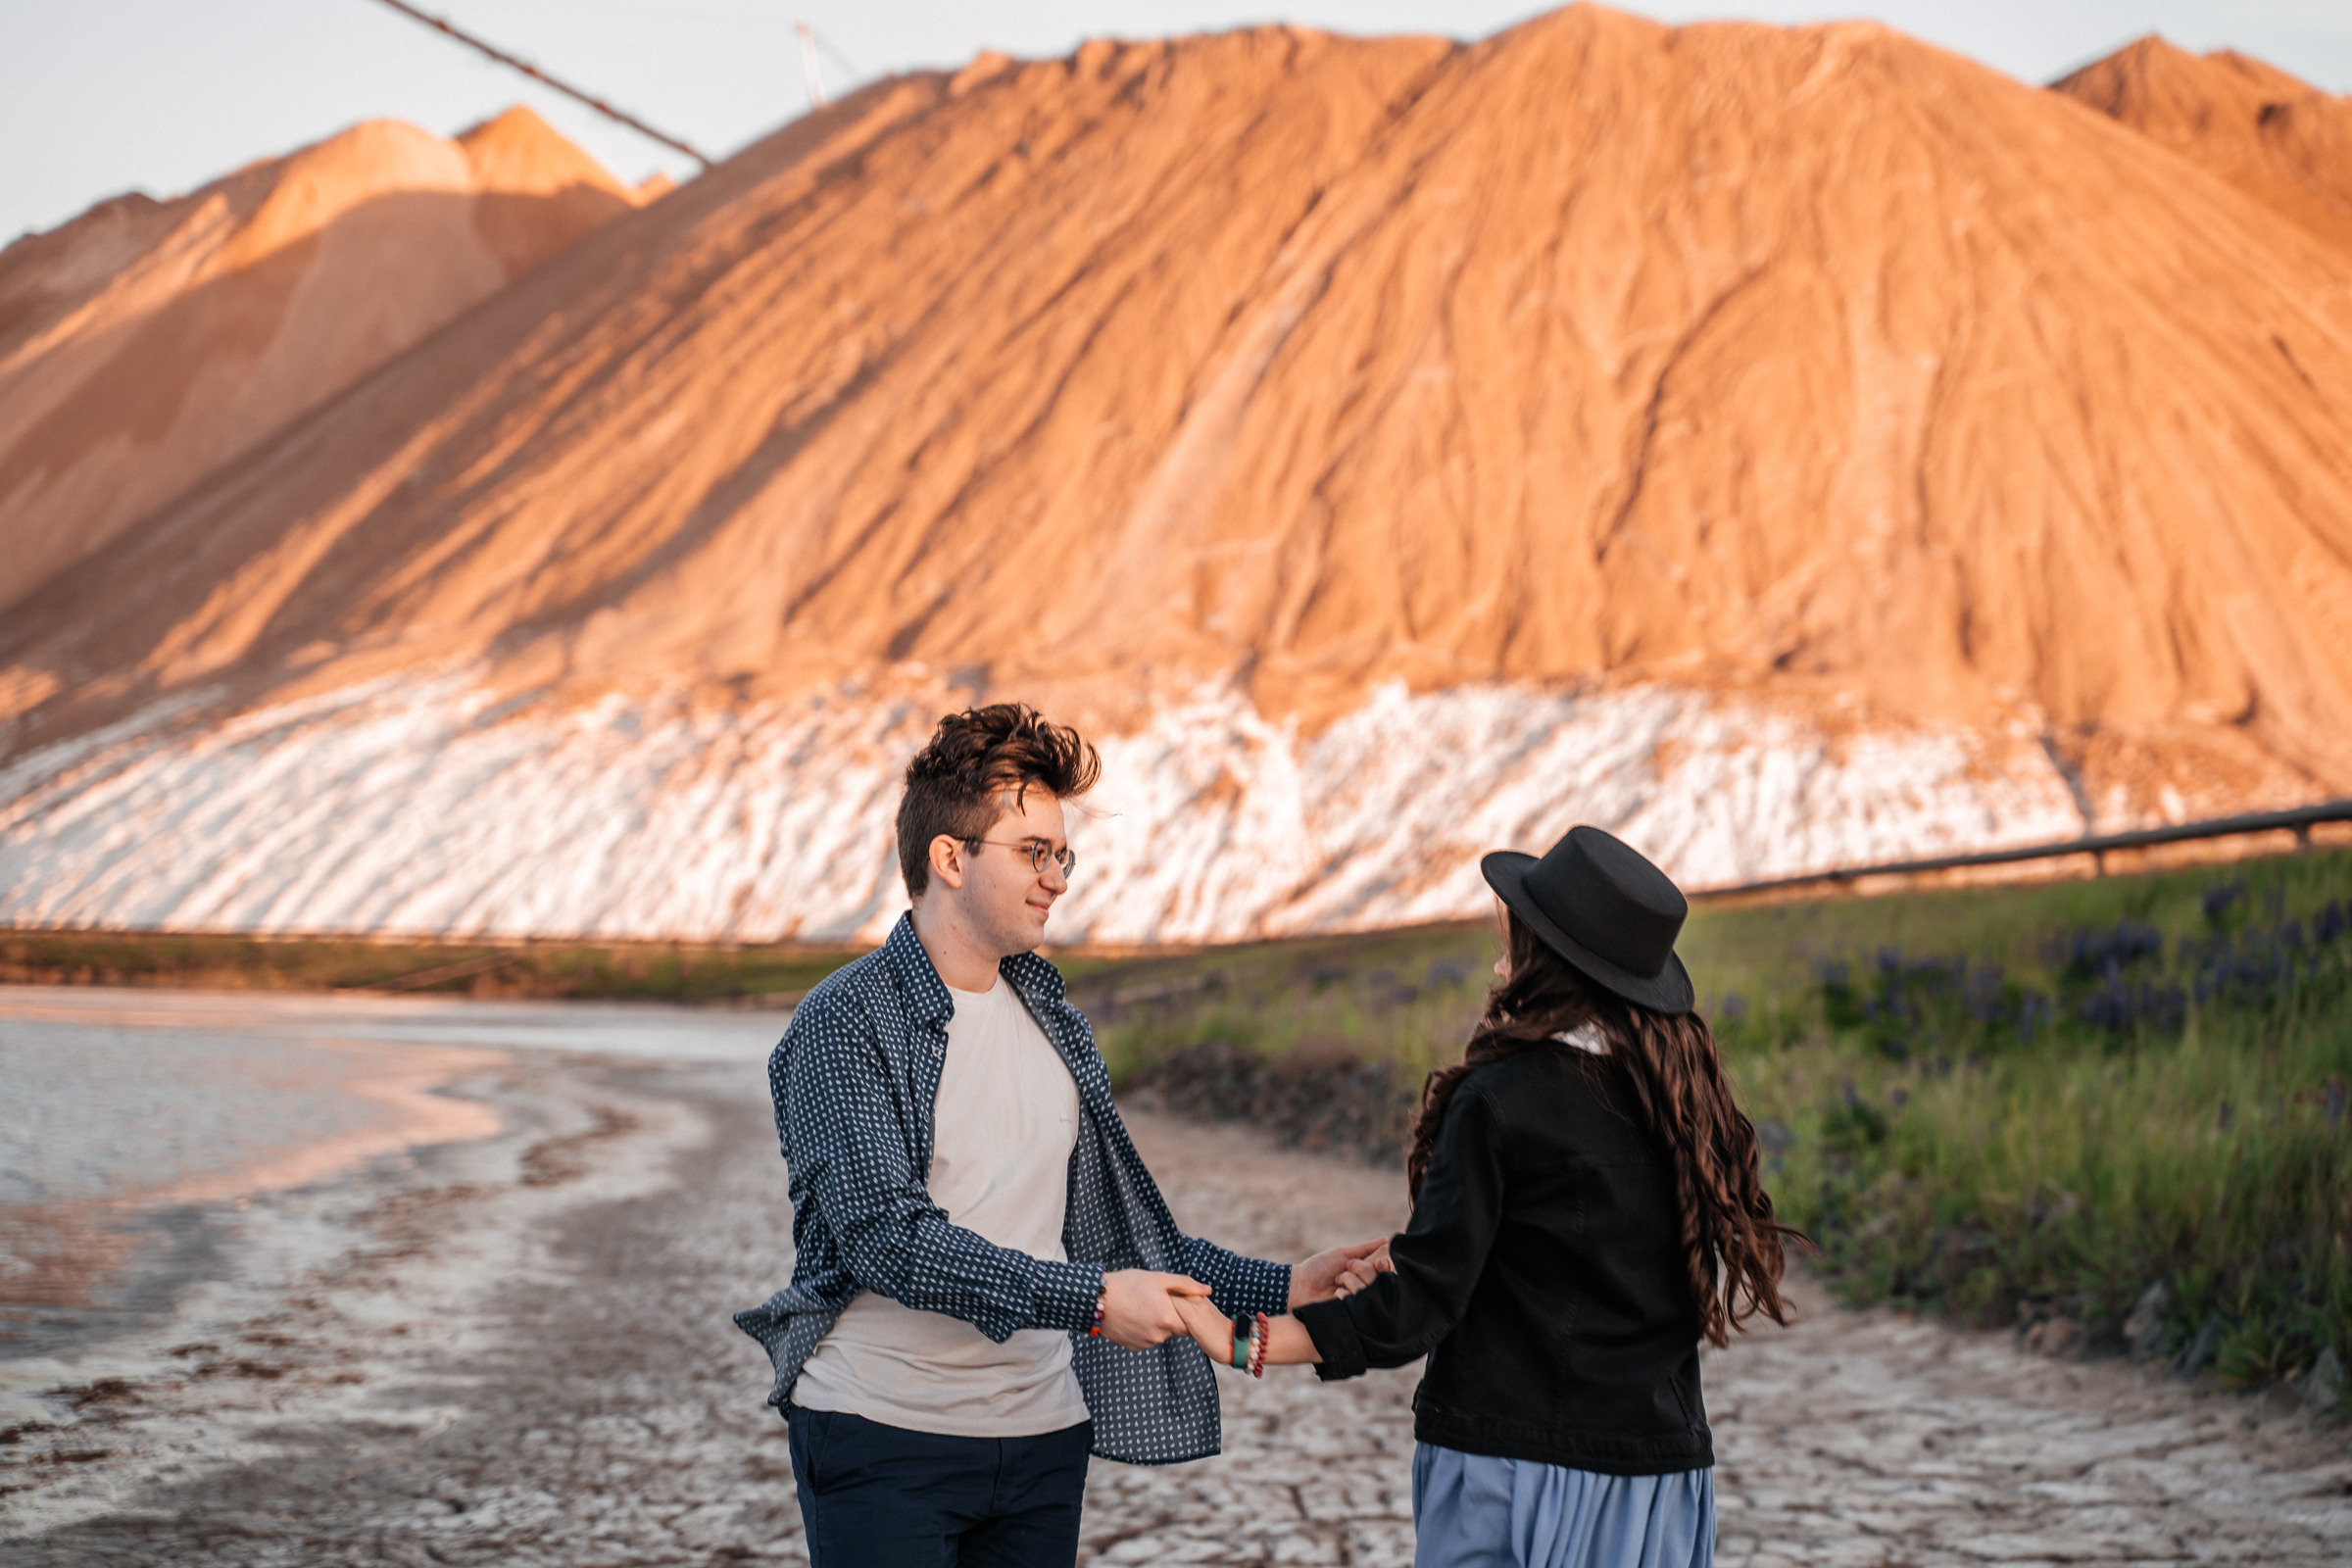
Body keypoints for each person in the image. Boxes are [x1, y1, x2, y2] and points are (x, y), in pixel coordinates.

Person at [734, 703, 1386, 1568]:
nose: (1059, 878)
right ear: (950, 859)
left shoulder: (1054, 1018)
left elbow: (1116, 1238)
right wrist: (1090, 1301)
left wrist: (1285, 1285)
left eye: (1062, 853)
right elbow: (885, 1240)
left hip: (1043, 1439)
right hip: (883, 1434)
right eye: (1034, 852)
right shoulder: (846, 1022)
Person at [1174, 825, 1801, 1568]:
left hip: (1516, 1475)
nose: (1500, 959)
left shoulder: (1501, 1099)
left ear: (1552, 963)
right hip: (1659, 1480)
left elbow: (1421, 1306)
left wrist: (1243, 1340)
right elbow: (1573, 1265)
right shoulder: (1685, 1106)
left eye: (1515, 939)